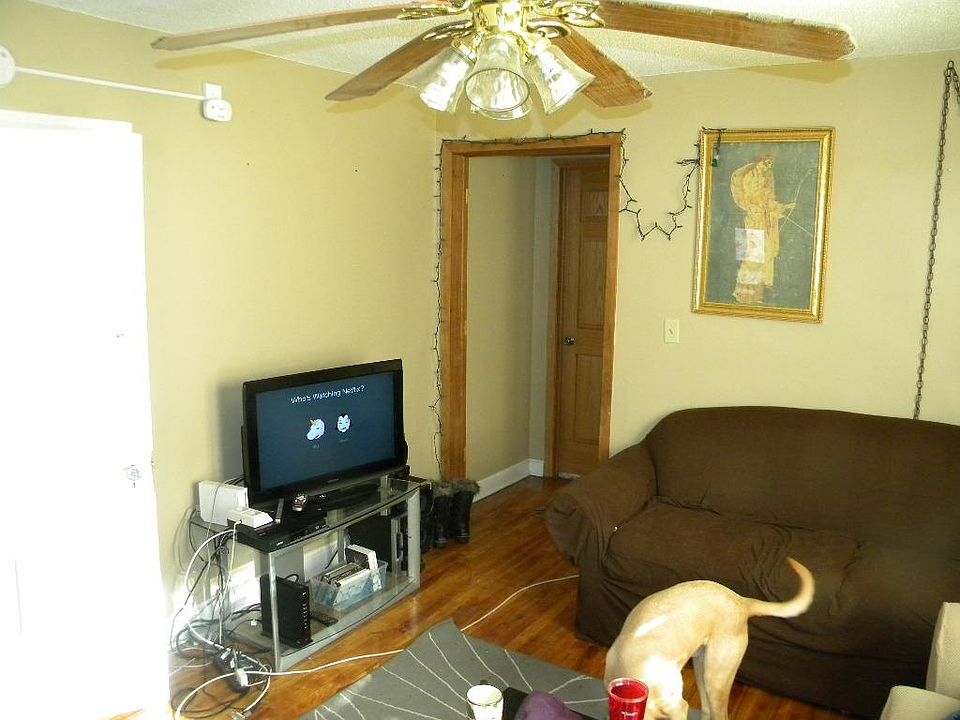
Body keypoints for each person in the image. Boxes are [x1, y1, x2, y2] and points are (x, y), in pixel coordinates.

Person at [729, 154, 794, 304]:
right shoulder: (750, 176)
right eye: (767, 162)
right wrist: (756, 208)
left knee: (765, 256)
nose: (769, 166)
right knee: (753, 257)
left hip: (765, 221)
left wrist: (783, 207)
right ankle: (744, 295)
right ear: (761, 161)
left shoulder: (767, 176)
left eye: (771, 163)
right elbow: (749, 199)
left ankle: (756, 296)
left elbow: (768, 202)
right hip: (754, 221)